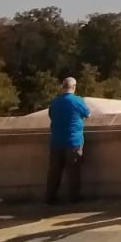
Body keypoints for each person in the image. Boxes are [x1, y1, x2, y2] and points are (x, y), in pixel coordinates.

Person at [47, 77, 90, 205]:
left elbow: (50, 115)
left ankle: (50, 197)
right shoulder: (77, 101)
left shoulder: (54, 102)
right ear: (74, 87)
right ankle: (74, 197)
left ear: (63, 86)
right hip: (73, 142)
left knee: (54, 171)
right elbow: (88, 114)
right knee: (73, 171)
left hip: (56, 141)